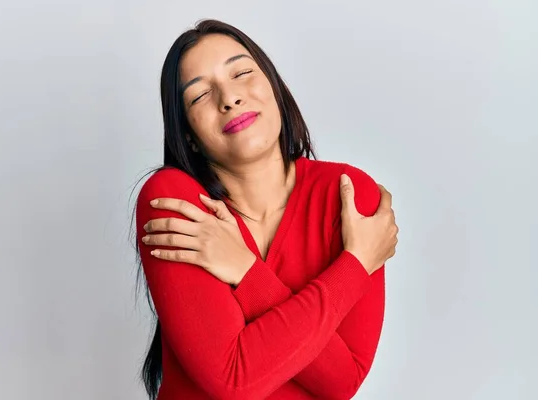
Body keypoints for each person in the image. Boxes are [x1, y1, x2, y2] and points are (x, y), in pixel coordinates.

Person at [134, 19, 398, 400]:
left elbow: (343, 381)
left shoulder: (346, 195)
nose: (229, 98)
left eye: (241, 73)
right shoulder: (174, 202)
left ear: (275, 88)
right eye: (199, 96)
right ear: (187, 136)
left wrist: (245, 271)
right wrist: (355, 267)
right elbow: (233, 380)